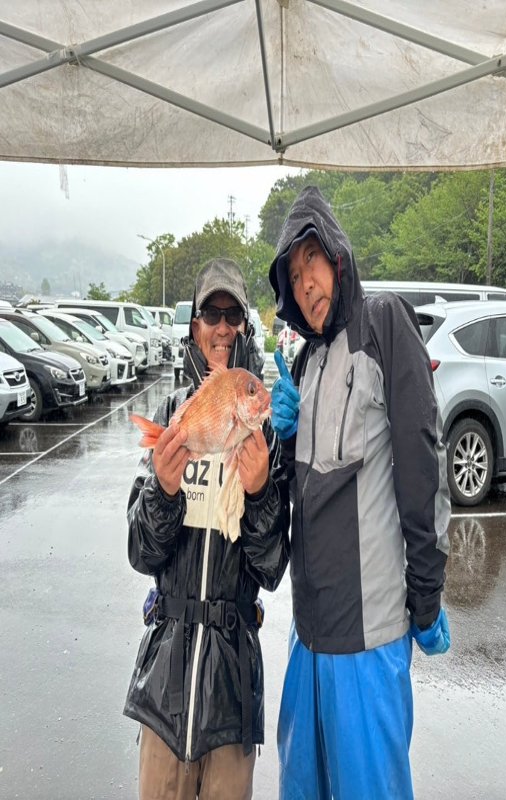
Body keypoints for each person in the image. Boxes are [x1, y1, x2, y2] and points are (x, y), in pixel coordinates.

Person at [268, 186, 451, 800]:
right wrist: (280, 442)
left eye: (311, 262)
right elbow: (297, 496)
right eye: (293, 277)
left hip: (369, 640)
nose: (306, 285)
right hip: (308, 637)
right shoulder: (304, 363)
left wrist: (426, 593)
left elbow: (422, 462)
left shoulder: (383, 324)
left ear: (337, 256)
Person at [124, 258, 290, 800]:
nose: (222, 327)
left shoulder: (262, 434)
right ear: (195, 326)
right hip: (164, 685)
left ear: (244, 327)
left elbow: (271, 568)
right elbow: (141, 551)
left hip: (231, 693)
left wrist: (261, 492)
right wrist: (163, 491)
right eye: (211, 315)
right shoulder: (173, 418)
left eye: (232, 315)